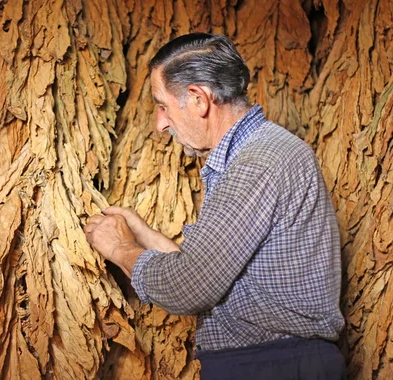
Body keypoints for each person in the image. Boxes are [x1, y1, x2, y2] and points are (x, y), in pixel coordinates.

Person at [84, 33, 346, 379]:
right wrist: (143, 235)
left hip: (272, 366)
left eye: (162, 105)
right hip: (274, 362)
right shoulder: (262, 153)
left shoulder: (259, 161)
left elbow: (190, 287)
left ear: (198, 99)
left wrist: (120, 249)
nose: (160, 124)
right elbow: (214, 276)